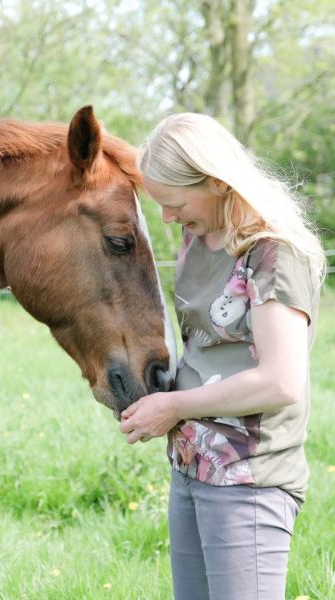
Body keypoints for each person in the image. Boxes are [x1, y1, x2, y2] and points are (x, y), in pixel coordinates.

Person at [119, 113, 326, 600]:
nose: (167, 218)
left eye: (174, 203)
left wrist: (172, 407)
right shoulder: (200, 236)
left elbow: (279, 381)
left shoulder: (273, 253)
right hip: (192, 465)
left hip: (249, 477)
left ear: (216, 181)